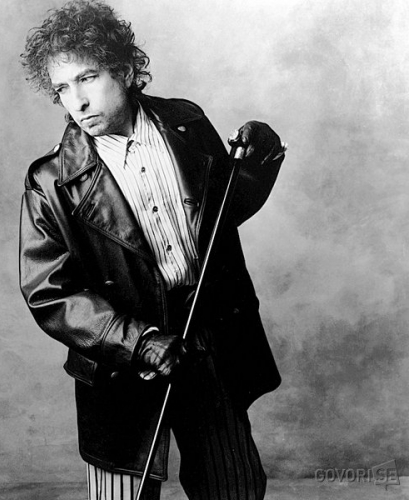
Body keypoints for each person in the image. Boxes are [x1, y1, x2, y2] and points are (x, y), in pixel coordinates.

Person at [19, 1, 286, 499]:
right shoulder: (51, 181)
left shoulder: (187, 124)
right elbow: (50, 292)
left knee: (234, 488)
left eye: (87, 78)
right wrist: (138, 341)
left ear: (124, 70)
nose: (76, 101)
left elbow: (221, 215)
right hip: (120, 359)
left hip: (205, 333)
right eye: (62, 88)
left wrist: (262, 155)